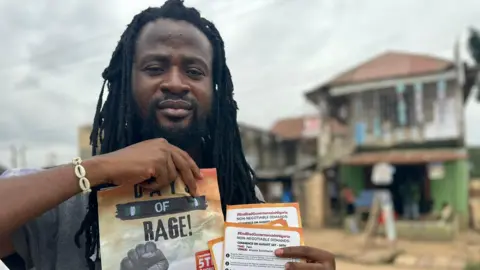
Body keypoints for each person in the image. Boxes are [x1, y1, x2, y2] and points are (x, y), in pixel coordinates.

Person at [0, 1, 335, 270]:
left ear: (213, 91)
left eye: (194, 71)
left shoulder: (242, 199)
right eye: (155, 68)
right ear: (124, 85)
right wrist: (97, 170)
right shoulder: (68, 201)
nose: (175, 83)